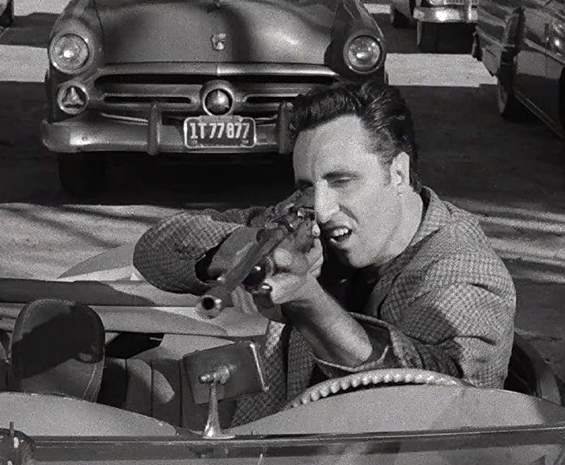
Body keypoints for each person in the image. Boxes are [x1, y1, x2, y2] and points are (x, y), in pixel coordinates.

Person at [133, 81, 516, 425]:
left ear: (398, 172)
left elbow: (444, 409)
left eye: (341, 181)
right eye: (307, 186)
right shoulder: (303, 217)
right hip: (258, 438)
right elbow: (154, 248)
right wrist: (238, 249)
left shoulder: (463, 272)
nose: (321, 207)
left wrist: (308, 302)